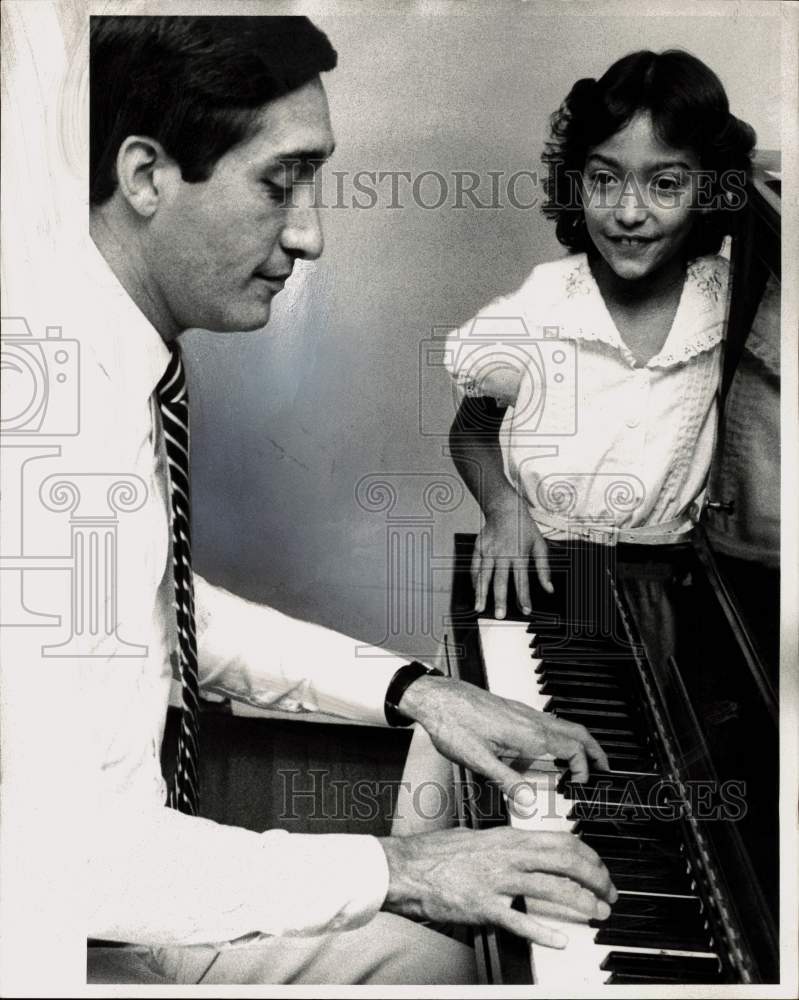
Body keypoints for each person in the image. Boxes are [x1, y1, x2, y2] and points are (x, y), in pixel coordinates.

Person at [78, 15, 615, 985]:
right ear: (147, 175)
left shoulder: (106, 362)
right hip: (59, 934)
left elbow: (170, 614)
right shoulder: (39, 423)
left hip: (124, 891)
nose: (310, 233)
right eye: (280, 181)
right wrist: (398, 868)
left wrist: (416, 689)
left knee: (462, 958)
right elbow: (60, 859)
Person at [446, 50, 756, 619]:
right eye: (605, 179)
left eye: (665, 183)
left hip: (669, 586)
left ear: (709, 189)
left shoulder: (729, 307)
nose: (628, 212)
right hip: (537, 568)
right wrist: (504, 510)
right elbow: (469, 431)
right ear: (576, 181)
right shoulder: (542, 304)